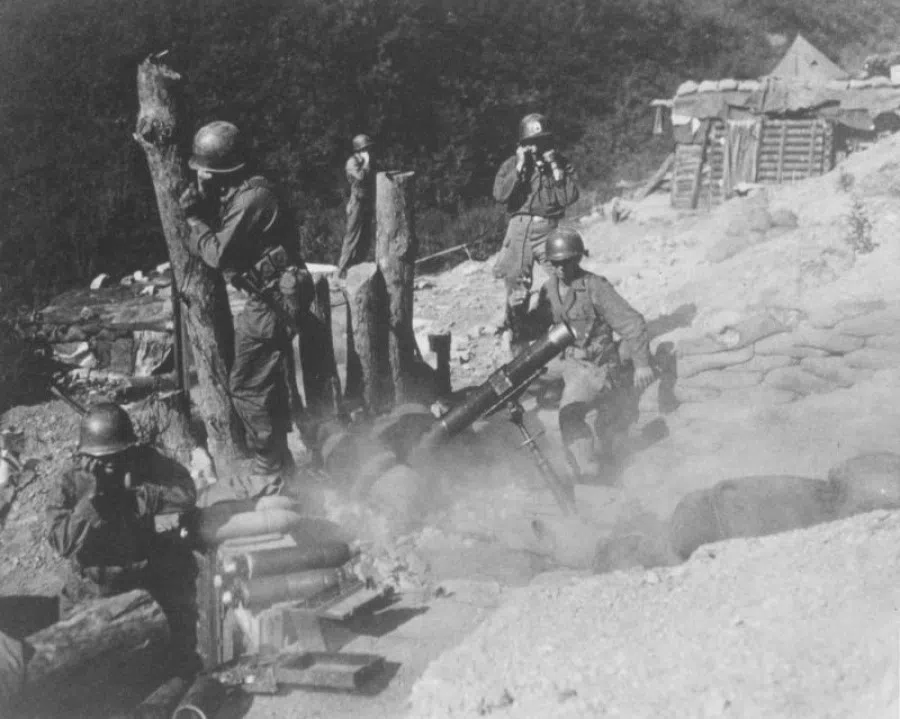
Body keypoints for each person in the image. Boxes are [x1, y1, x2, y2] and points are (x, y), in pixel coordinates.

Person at [180, 120, 313, 497]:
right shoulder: (243, 191)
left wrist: (192, 219)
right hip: (270, 294)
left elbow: (218, 253)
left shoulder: (253, 198)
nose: (200, 174)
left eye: (206, 168)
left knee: (247, 387)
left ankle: (268, 470)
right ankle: (281, 465)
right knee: (264, 383)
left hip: (273, 298)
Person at [46, 403, 199, 674]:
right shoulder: (70, 478)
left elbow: (186, 494)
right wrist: (92, 505)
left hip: (141, 583)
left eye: (117, 457)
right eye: (101, 460)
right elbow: (61, 542)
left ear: (129, 449)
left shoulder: (144, 460)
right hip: (92, 589)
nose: (109, 466)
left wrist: (140, 498)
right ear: (85, 454)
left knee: (159, 666)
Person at [525, 227, 655, 481]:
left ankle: (589, 471)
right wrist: (517, 312)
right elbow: (535, 328)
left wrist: (642, 365)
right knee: (517, 386)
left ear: (577, 258)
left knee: (569, 412)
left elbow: (633, 323)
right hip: (566, 360)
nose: (561, 269)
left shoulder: (595, 287)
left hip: (594, 365)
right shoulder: (548, 289)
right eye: (555, 263)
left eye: (567, 262)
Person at [493, 113, 579, 353]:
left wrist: (555, 169)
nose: (537, 148)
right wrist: (520, 167)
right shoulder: (512, 164)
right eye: (531, 142)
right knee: (516, 287)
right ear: (521, 144)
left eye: (542, 142)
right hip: (519, 228)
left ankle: (571, 332)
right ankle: (518, 344)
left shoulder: (558, 163)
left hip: (548, 227)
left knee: (566, 276)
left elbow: (569, 197)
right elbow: (500, 195)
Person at [337, 134, 377, 279]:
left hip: (367, 202)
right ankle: (340, 271)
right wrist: (366, 163)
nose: (369, 152)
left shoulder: (370, 162)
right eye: (366, 149)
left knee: (365, 237)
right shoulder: (352, 163)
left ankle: (356, 268)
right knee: (351, 237)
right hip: (356, 202)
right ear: (359, 150)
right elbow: (360, 177)